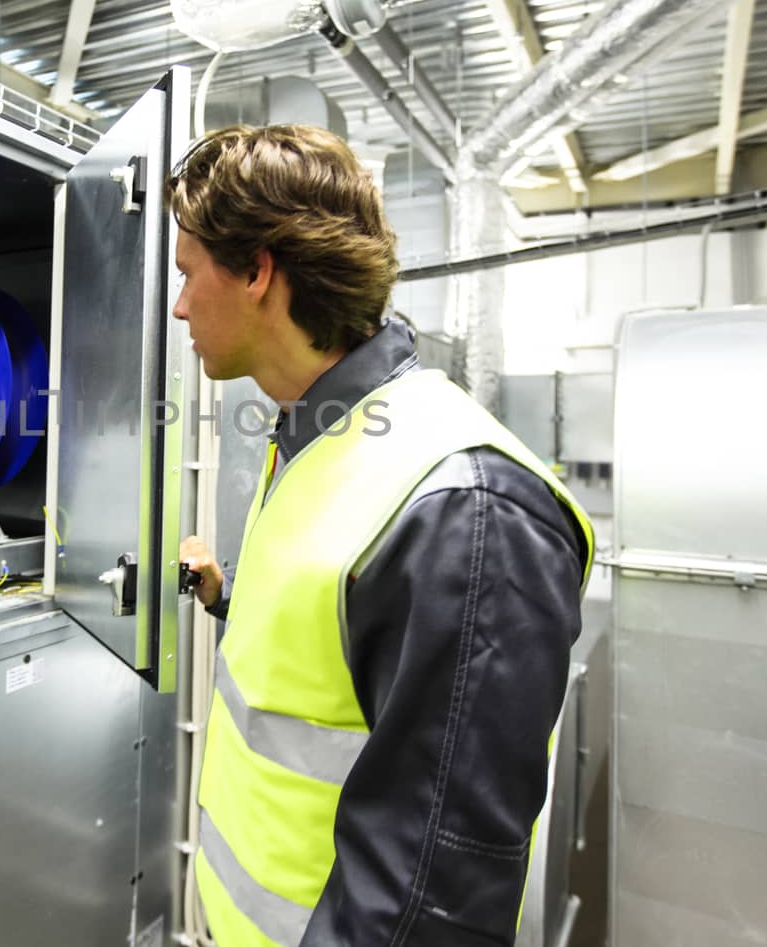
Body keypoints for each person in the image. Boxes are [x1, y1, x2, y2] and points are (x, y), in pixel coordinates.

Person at [169, 124, 593, 947]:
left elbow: (433, 902)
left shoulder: (465, 511)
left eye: (188, 275)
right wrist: (233, 597)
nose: (180, 304)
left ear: (258, 271)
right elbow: (335, 654)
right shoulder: (312, 434)